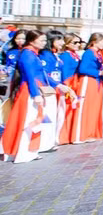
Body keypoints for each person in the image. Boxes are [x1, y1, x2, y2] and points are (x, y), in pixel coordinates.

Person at [1, 31, 72, 163]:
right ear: (32, 41)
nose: (44, 43)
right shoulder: (28, 55)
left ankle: (30, 150)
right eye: (42, 40)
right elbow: (30, 76)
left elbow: (43, 74)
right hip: (29, 90)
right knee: (29, 121)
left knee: (34, 120)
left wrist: (57, 85)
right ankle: (24, 152)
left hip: (35, 88)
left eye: (45, 41)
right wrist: (36, 94)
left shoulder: (33, 54)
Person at [69, 33, 103, 144]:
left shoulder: (97, 53)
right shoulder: (89, 53)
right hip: (88, 80)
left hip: (96, 81)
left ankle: (89, 132)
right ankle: (80, 135)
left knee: (93, 107)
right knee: (84, 107)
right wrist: (99, 72)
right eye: (101, 42)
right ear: (94, 42)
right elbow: (83, 69)